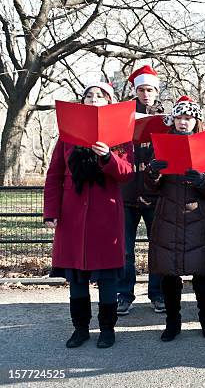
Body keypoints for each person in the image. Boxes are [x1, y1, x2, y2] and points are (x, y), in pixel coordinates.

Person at [44, 82, 134, 348]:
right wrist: (51, 212)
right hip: (72, 216)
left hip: (106, 216)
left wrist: (108, 156)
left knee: (107, 278)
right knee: (77, 278)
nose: (93, 99)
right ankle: (80, 328)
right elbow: (54, 175)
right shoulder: (67, 135)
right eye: (89, 95)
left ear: (108, 102)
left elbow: (127, 173)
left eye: (100, 96)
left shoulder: (120, 135)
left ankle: (107, 329)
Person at [145, 96, 205, 342]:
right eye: (179, 117)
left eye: (188, 118)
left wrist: (203, 181)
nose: (183, 122)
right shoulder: (162, 144)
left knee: (202, 274)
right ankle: (172, 321)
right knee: (169, 274)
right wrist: (153, 173)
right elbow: (150, 187)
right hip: (168, 216)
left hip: (198, 218)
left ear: (196, 120)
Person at [117, 65, 165, 316]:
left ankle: (157, 294)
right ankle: (124, 295)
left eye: (150, 89)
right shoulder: (122, 115)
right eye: (142, 89)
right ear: (136, 91)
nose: (146, 94)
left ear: (157, 91)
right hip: (126, 193)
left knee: (157, 246)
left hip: (154, 194)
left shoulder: (165, 117)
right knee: (125, 249)